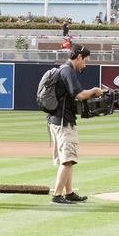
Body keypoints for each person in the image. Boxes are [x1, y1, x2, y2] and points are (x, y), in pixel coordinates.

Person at [48, 43, 105, 204]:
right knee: (68, 160)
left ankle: (69, 193)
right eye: (85, 60)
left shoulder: (64, 69)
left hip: (58, 120)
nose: (85, 64)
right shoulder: (68, 71)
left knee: (68, 160)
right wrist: (94, 90)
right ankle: (57, 196)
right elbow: (79, 95)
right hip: (63, 121)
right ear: (78, 57)